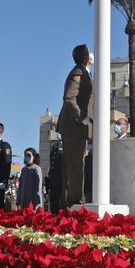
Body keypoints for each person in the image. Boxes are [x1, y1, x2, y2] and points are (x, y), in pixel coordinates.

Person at [57, 44, 93, 208]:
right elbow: (69, 98)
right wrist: (82, 118)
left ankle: (73, 201)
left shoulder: (84, 72)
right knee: (75, 166)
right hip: (73, 127)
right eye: (89, 52)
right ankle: (74, 203)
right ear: (86, 57)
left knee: (76, 165)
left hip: (76, 128)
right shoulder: (78, 73)